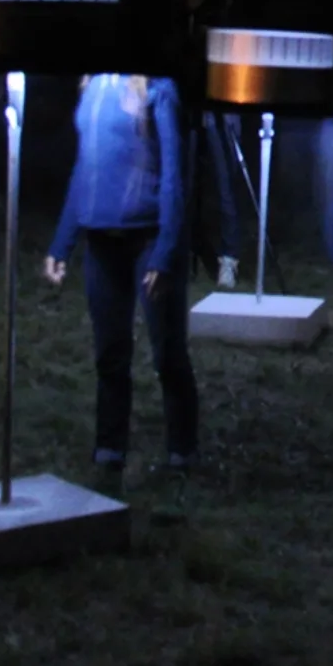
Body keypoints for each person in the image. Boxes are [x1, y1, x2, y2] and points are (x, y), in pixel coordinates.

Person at [43, 73, 198, 486]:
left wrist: (166, 251)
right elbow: (85, 167)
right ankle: (110, 448)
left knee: (167, 351)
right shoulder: (93, 86)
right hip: (101, 240)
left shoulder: (159, 89)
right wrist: (62, 243)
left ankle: (182, 449)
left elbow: (173, 175)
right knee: (110, 352)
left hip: (147, 236)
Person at [177, 0, 244, 290]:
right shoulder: (182, 16)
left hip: (222, 103)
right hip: (190, 102)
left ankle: (229, 258)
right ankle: (183, 252)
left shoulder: (223, 8)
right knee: (185, 183)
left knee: (225, 185)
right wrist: (188, 9)